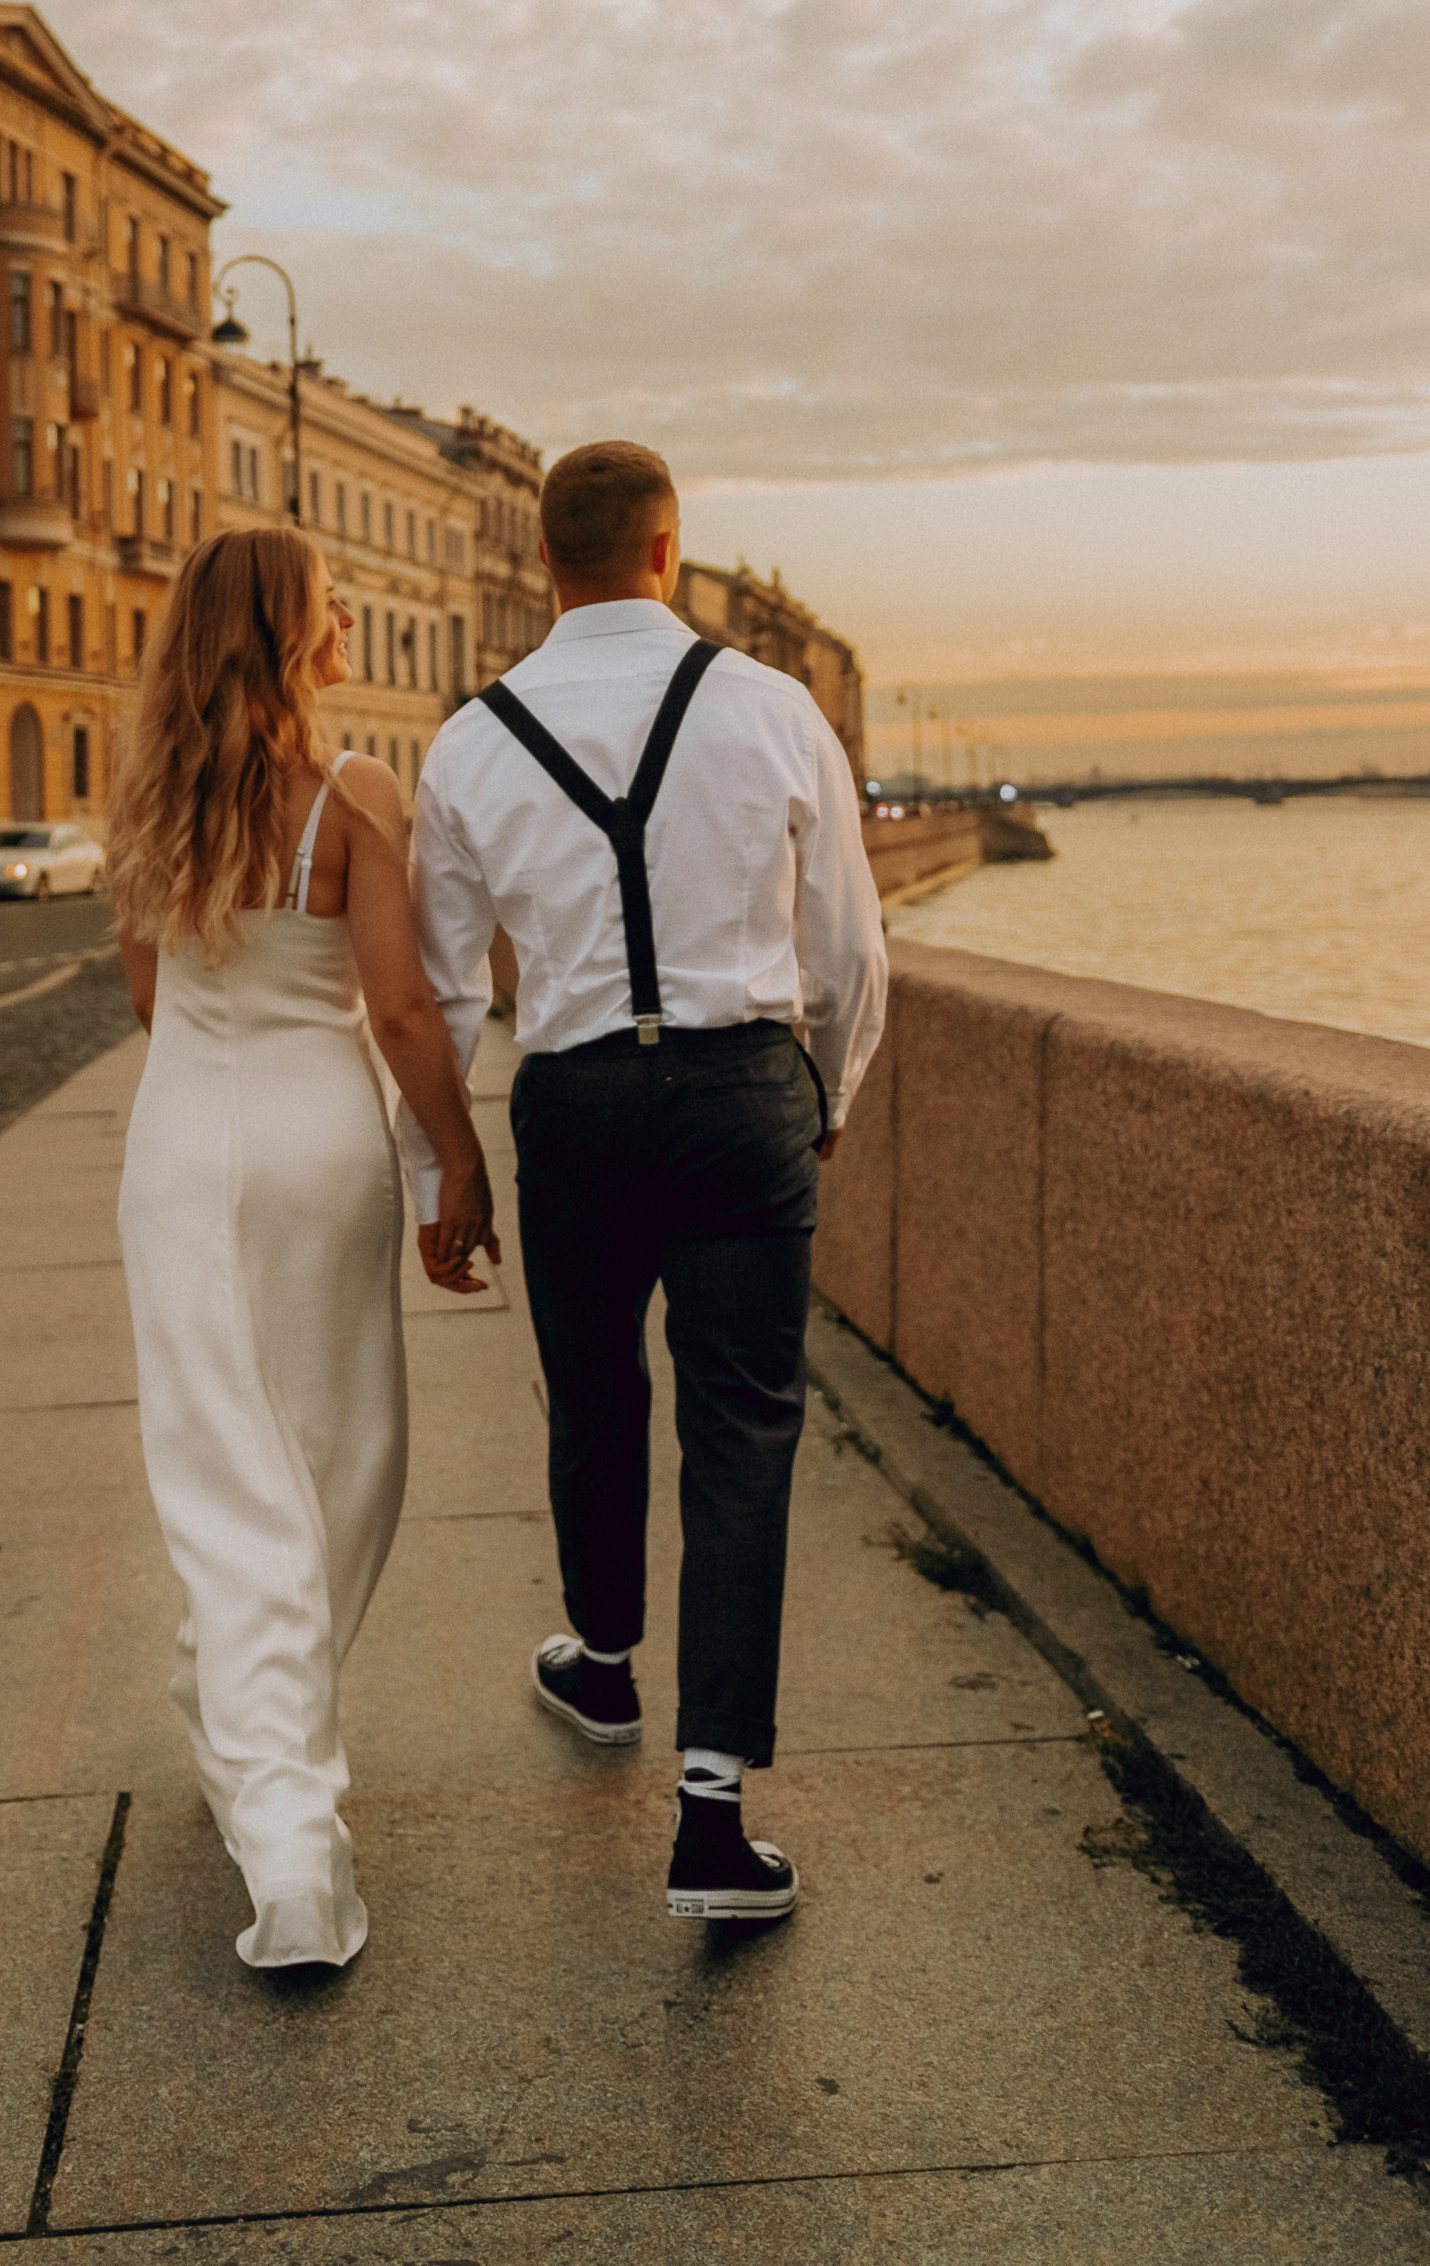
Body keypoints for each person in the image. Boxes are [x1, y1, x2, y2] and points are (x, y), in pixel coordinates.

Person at [400, 441, 887, 1923]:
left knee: (594, 1390)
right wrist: (827, 1096)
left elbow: (441, 991)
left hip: (579, 1101)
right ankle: (715, 1810)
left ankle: (603, 1666)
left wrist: (449, 1169)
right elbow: (849, 949)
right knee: (744, 1426)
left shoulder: (470, 739)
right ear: (669, 550)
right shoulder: (771, 705)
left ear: (546, 560)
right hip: (742, 1088)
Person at [112, 526, 498, 1970]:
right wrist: (456, 1158)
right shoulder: (350, 793)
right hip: (316, 1145)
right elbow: (401, 1013)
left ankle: (236, 1700)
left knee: (219, 1459)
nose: (351, 612)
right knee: (341, 1455)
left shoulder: (148, 803)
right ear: (290, 631)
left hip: (179, 1148)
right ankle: (286, 1832)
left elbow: (151, 995)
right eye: (334, 598)